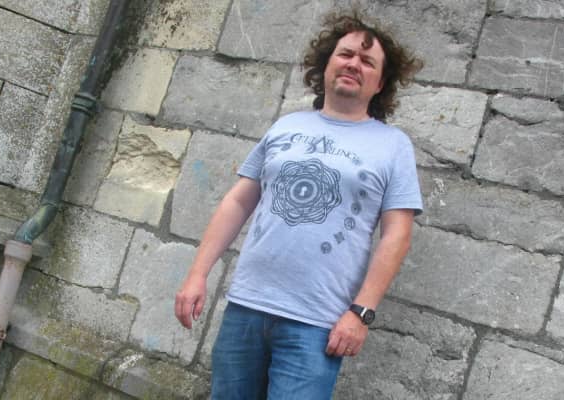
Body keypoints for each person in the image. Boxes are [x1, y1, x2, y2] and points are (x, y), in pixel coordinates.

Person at [174, 9, 423, 400]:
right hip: (246, 307)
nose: (353, 64)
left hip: (316, 324)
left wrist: (361, 313)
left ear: (380, 84)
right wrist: (197, 274)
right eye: (345, 54)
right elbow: (238, 201)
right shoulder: (287, 126)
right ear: (326, 64)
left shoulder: (393, 146)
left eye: (367, 61)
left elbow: (398, 235)